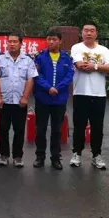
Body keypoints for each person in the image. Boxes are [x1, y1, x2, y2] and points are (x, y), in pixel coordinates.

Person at [69, 21, 109, 169]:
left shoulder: (104, 50)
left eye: (92, 30)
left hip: (99, 94)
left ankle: (96, 155)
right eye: (86, 30)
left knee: (97, 127)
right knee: (79, 125)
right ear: (81, 33)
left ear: (96, 33)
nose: (88, 33)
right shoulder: (76, 47)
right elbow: (79, 65)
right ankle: (76, 153)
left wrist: (95, 66)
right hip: (80, 93)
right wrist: (100, 67)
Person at [0, 32, 38, 167]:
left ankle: (18, 157)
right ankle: (4, 155)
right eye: (10, 41)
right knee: (3, 129)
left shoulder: (28, 60)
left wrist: (25, 98)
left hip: (20, 102)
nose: (12, 44)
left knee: (19, 130)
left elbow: (30, 79)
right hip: (4, 101)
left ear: (21, 43)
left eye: (15, 41)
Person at [32, 28, 74, 170]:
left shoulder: (66, 58)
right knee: (41, 129)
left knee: (57, 130)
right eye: (49, 39)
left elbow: (69, 76)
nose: (51, 42)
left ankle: (56, 158)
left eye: (54, 39)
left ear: (60, 41)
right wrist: (48, 87)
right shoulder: (40, 57)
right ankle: (40, 156)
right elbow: (36, 75)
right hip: (43, 98)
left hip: (59, 99)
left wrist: (58, 88)